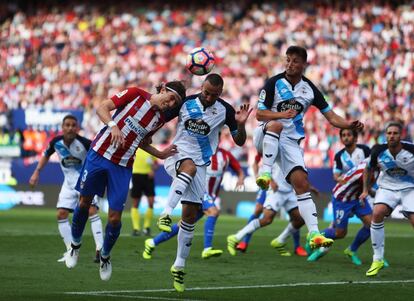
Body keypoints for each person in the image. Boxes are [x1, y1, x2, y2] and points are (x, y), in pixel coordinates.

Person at [64, 81, 186, 281]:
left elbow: (142, 142)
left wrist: (160, 154)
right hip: (98, 155)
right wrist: (113, 126)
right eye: (171, 97)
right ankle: (75, 246)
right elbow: (102, 107)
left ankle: (105, 256)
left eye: (175, 102)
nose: (171, 103)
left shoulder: (159, 120)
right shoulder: (135, 94)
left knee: (114, 218)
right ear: (162, 89)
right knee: (84, 203)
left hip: (122, 166)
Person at [253, 45, 364, 250]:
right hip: (266, 133)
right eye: (287, 59)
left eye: (295, 61)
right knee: (276, 125)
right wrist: (280, 115)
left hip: (290, 142)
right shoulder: (273, 83)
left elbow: (330, 116)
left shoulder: (310, 89)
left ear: (304, 64)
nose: (290, 64)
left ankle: (314, 234)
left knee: (302, 183)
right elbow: (259, 114)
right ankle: (266, 174)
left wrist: (349, 124)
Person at [156, 73, 251, 292]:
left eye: (214, 95)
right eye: (207, 93)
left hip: (201, 166)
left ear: (220, 93)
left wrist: (241, 124)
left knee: (190, 216)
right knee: (187, 167)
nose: (209, 98)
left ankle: (179, 265)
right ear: (201, 87)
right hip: (177, 155)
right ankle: (166, 213)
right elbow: (160, 116)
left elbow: (239, 141)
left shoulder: (226, 110)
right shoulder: (186, 103)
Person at [142, 146, 245, 260]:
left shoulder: (225, 155)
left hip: (211, 196)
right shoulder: (199, 151)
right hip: (199, 192)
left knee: (184, 224)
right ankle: (207, 249)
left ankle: (152, 242)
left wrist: (241, 178)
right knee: (213, 212)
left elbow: (239, 170)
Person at [29, 115, 104, 263]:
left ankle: (100, 249)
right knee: (61, 214)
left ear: (77, 128)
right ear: (62, 127)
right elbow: (45, 155)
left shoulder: (85, 143)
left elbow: (99, 158)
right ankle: (71, 250)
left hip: (85, 182)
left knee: (91, 210)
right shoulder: (56, 142)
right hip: (68, 184)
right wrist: (37, 172)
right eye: (67, 125)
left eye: (73, 125)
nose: (70, 128)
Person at [361, 122, 414, 277]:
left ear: (401, 135)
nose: (392, 136)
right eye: (389, 133)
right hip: (387, 187)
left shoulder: (411, 150)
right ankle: (377, 259)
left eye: (395, 133)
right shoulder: (378, 150)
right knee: (377, 213)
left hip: (409, 188)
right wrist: (365, 190)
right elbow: (368, 169)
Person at [227, 162, 310, 257]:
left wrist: (309, 186)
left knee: (300, 219)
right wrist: (272, 181)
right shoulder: (277, 148)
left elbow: (299, 172)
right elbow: (264, 166)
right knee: (267, 219)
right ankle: (236, 237)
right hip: (276, 191)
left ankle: (280, 241)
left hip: (289, 191)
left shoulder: (299, 151)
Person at [307, 159, 376, 265]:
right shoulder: (364, 171)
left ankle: (351, 250)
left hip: (357, 197)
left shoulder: (376, 168)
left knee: (371, 225)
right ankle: (314, 237)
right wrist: (370, 192)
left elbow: (367, 187)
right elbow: (364, 185)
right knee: (340, 233)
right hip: (342, 199)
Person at [130, 147, 158, 236]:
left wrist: (153, 170)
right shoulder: (134, 147)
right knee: (135, 203)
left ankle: (146, 227)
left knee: (151, 202)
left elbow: (156, 163)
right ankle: (136, 228)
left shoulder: (151, 149)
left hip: (148, 176)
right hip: (136, 175)